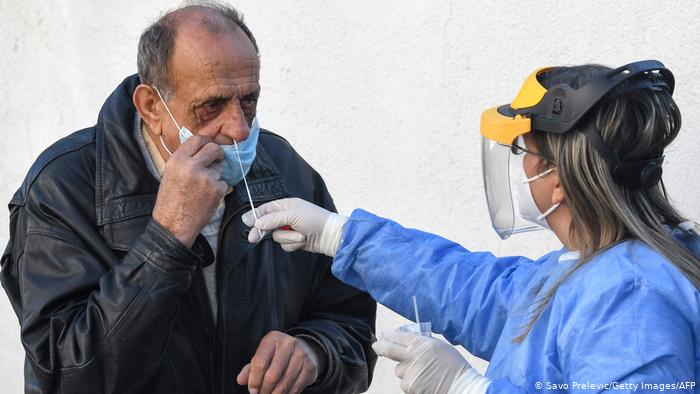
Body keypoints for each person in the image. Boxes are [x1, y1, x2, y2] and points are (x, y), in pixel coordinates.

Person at [244, 61, 700, 393]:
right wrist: (338, 235)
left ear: (558, 180)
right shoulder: (583, 269)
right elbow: (474, 292)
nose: (520, 172)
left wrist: (468, 389)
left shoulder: (634, 299)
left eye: (525, 154)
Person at [0, 3, 377, 393]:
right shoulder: (62, 188)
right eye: (211, 106)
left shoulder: (284, 169)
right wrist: (168, 237)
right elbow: (68, 377)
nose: (240, 129)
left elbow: (352, 323)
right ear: (152, 108)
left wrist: (315, 353)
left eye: (248, 100)